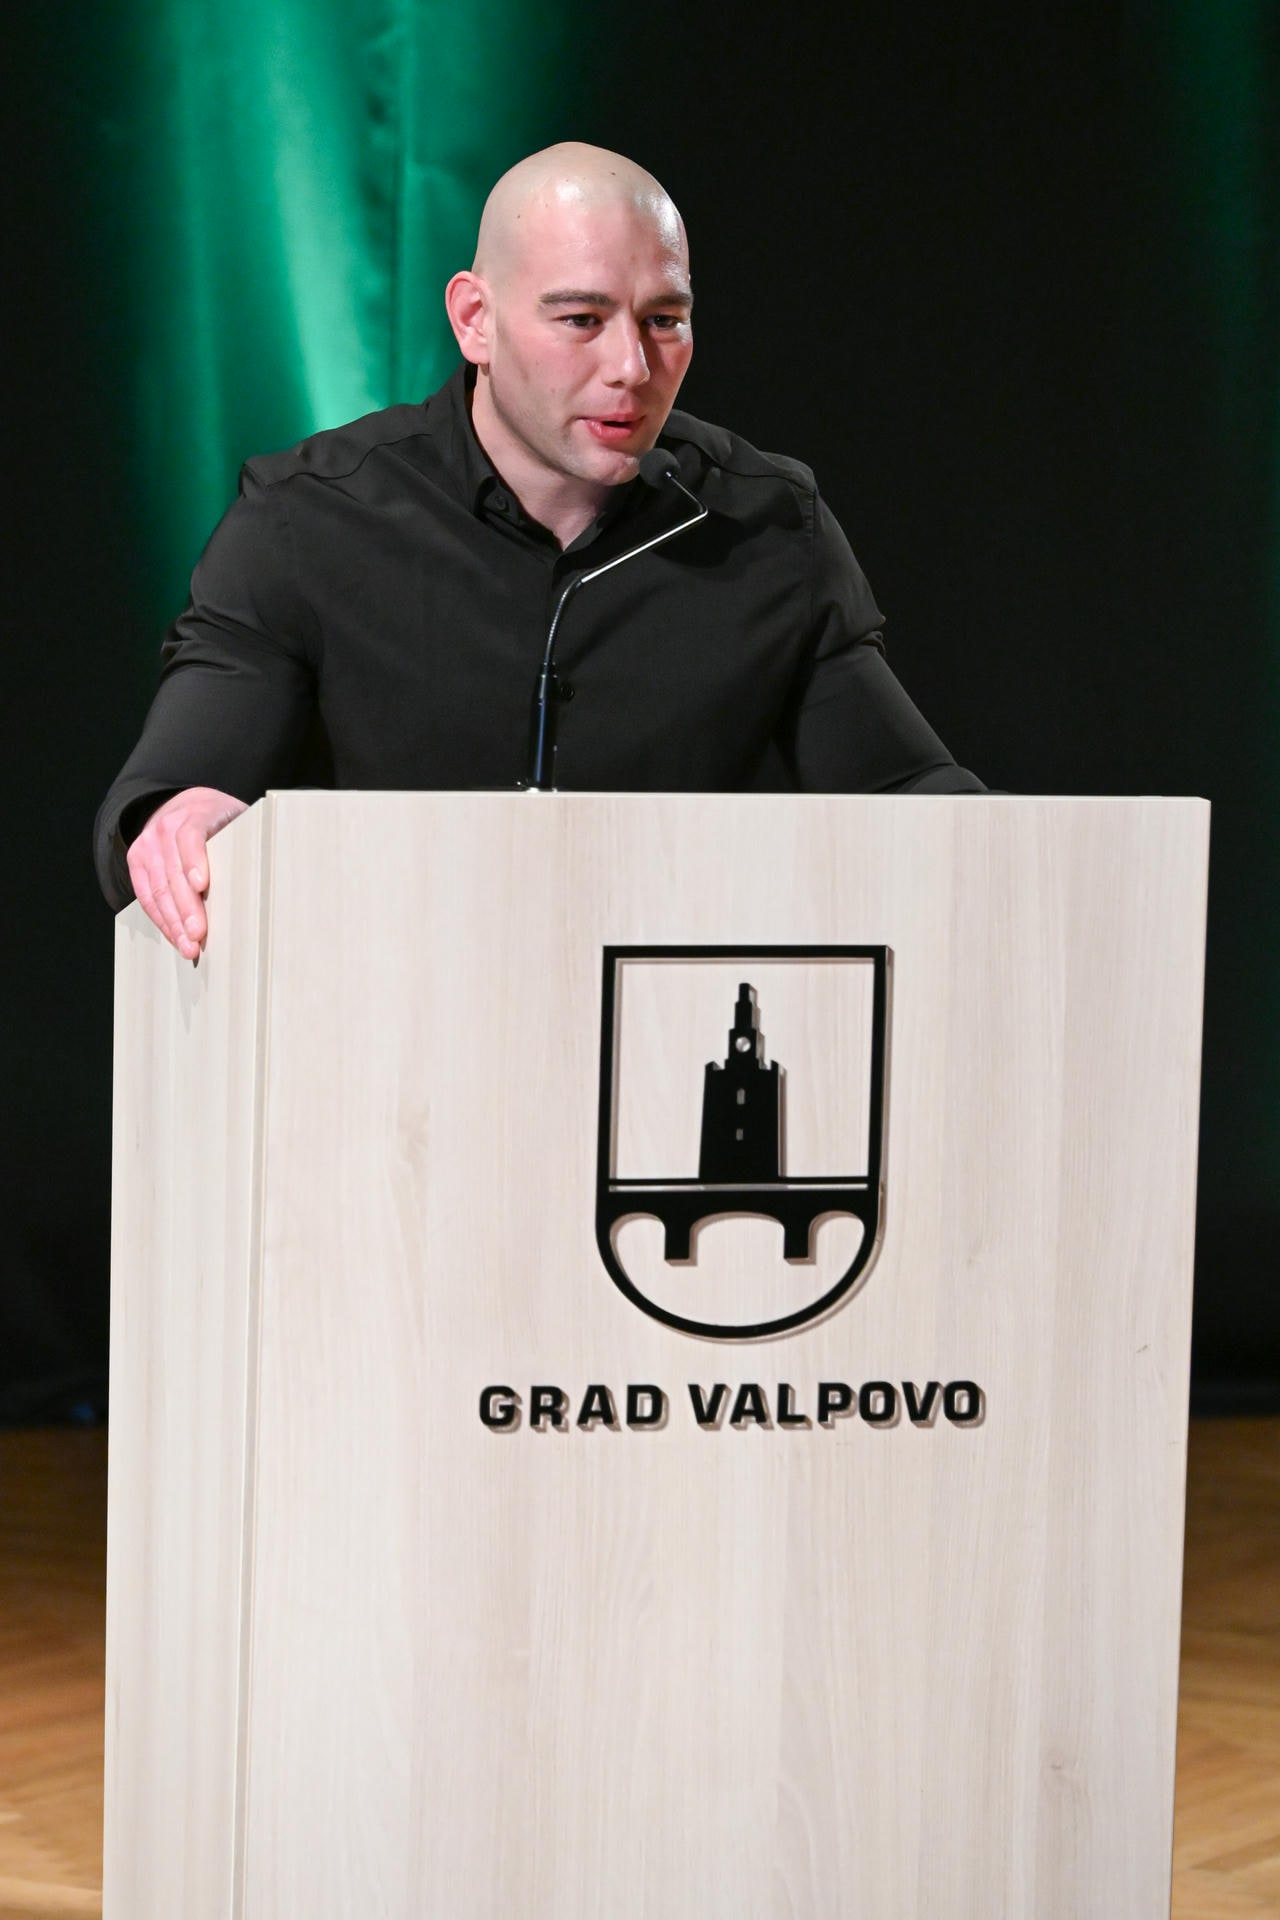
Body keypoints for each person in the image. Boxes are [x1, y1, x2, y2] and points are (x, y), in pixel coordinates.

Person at [96, 142, 982, 956]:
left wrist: (1008, 853)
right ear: (475, 319)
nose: (632, 366)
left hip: (673, 1037)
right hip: (379, 1024)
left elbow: (915, 810)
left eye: (664, 319)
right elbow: (173, 793)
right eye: (583, 320)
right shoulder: (307, 521)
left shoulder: (768, 527)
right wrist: (182, 817)